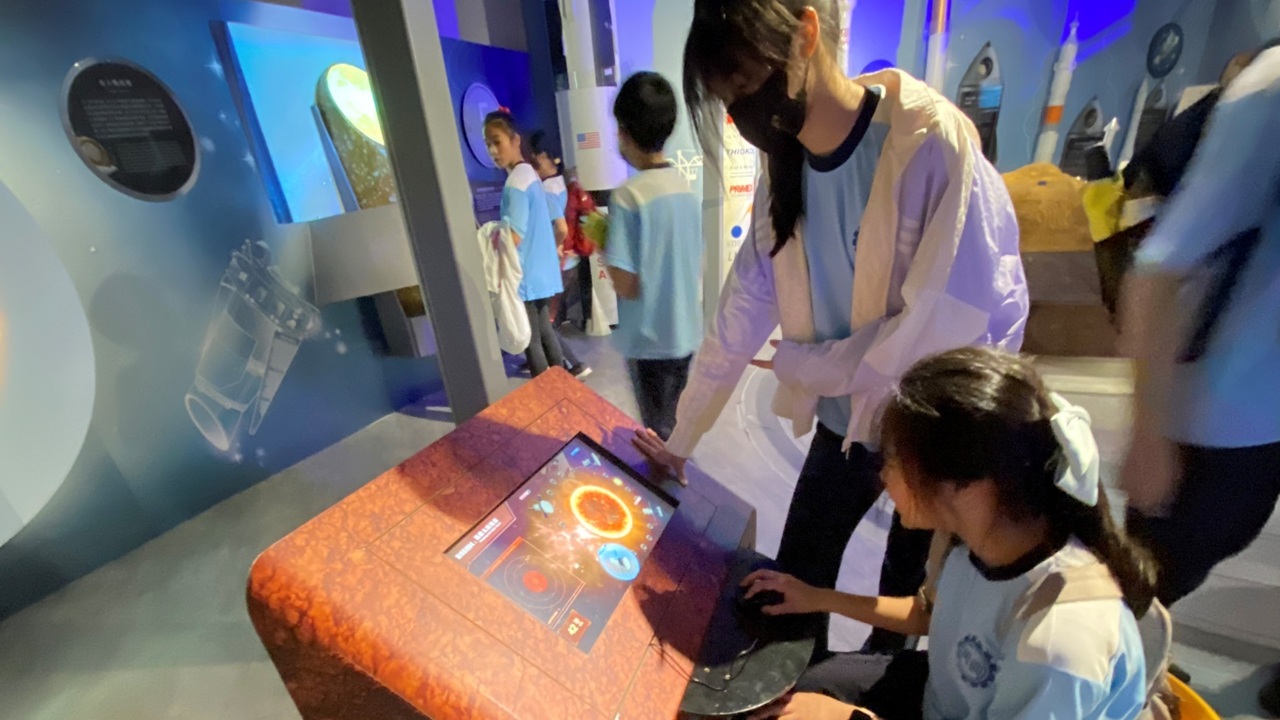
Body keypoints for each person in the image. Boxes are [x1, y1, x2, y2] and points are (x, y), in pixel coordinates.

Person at [634, 0, 1028, 656]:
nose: (742, 112)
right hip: (845, 428)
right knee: (790, 588)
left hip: (931, 430)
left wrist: (800, 365)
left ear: (805, 36)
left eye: (744, 84)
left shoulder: (930, 144)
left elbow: (931, 341)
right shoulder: (783, 165)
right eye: (727, 99)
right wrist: (681, 441)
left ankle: (864, 692)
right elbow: (742, 307)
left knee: (905, 601)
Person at [742, 348, 1155, 720]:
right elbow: (930, 614)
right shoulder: (975, 540)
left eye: (895, 460)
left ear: (965, 484)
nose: (884, 476)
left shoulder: (1058, 642)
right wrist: (816, 597)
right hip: (941, 692)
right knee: (789, 694)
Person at [1118, 44, 1280, 717]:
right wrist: (1149, 430)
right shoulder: (1271, 91)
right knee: (1145, 583)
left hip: (1255, 407)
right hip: (1222, 408)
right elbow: (1160, 265)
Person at [603, 71, 704, 440]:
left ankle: (668, 474)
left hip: (649, 343)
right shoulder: (684, 190)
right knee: (673, 424)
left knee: (656, 435)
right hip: (684, 333)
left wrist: (603, 243)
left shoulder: (628, 196)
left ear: (624, 131)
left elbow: (626, 285)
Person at [483, 111, 567, 376]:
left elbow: (514, 236)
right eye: (488, 144)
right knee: (545, 332)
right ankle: (564, 392)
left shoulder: (515, 183)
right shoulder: (530, 175)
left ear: (515, 140)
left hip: (525, 274)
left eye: (497, 142)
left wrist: (488, 234)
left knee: (531, 341)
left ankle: (548, 396)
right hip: (542, 272)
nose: (493, 151)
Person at [529, 129, 593, 379]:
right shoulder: (565, 184)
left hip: (558, 264)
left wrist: (552, 250)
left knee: (546, 323)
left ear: (549, 157)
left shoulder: (546, 189)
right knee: (549, 321)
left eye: (538, 156)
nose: (535, 161)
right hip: (571, 262)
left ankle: (574, 365)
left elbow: (560, 227)